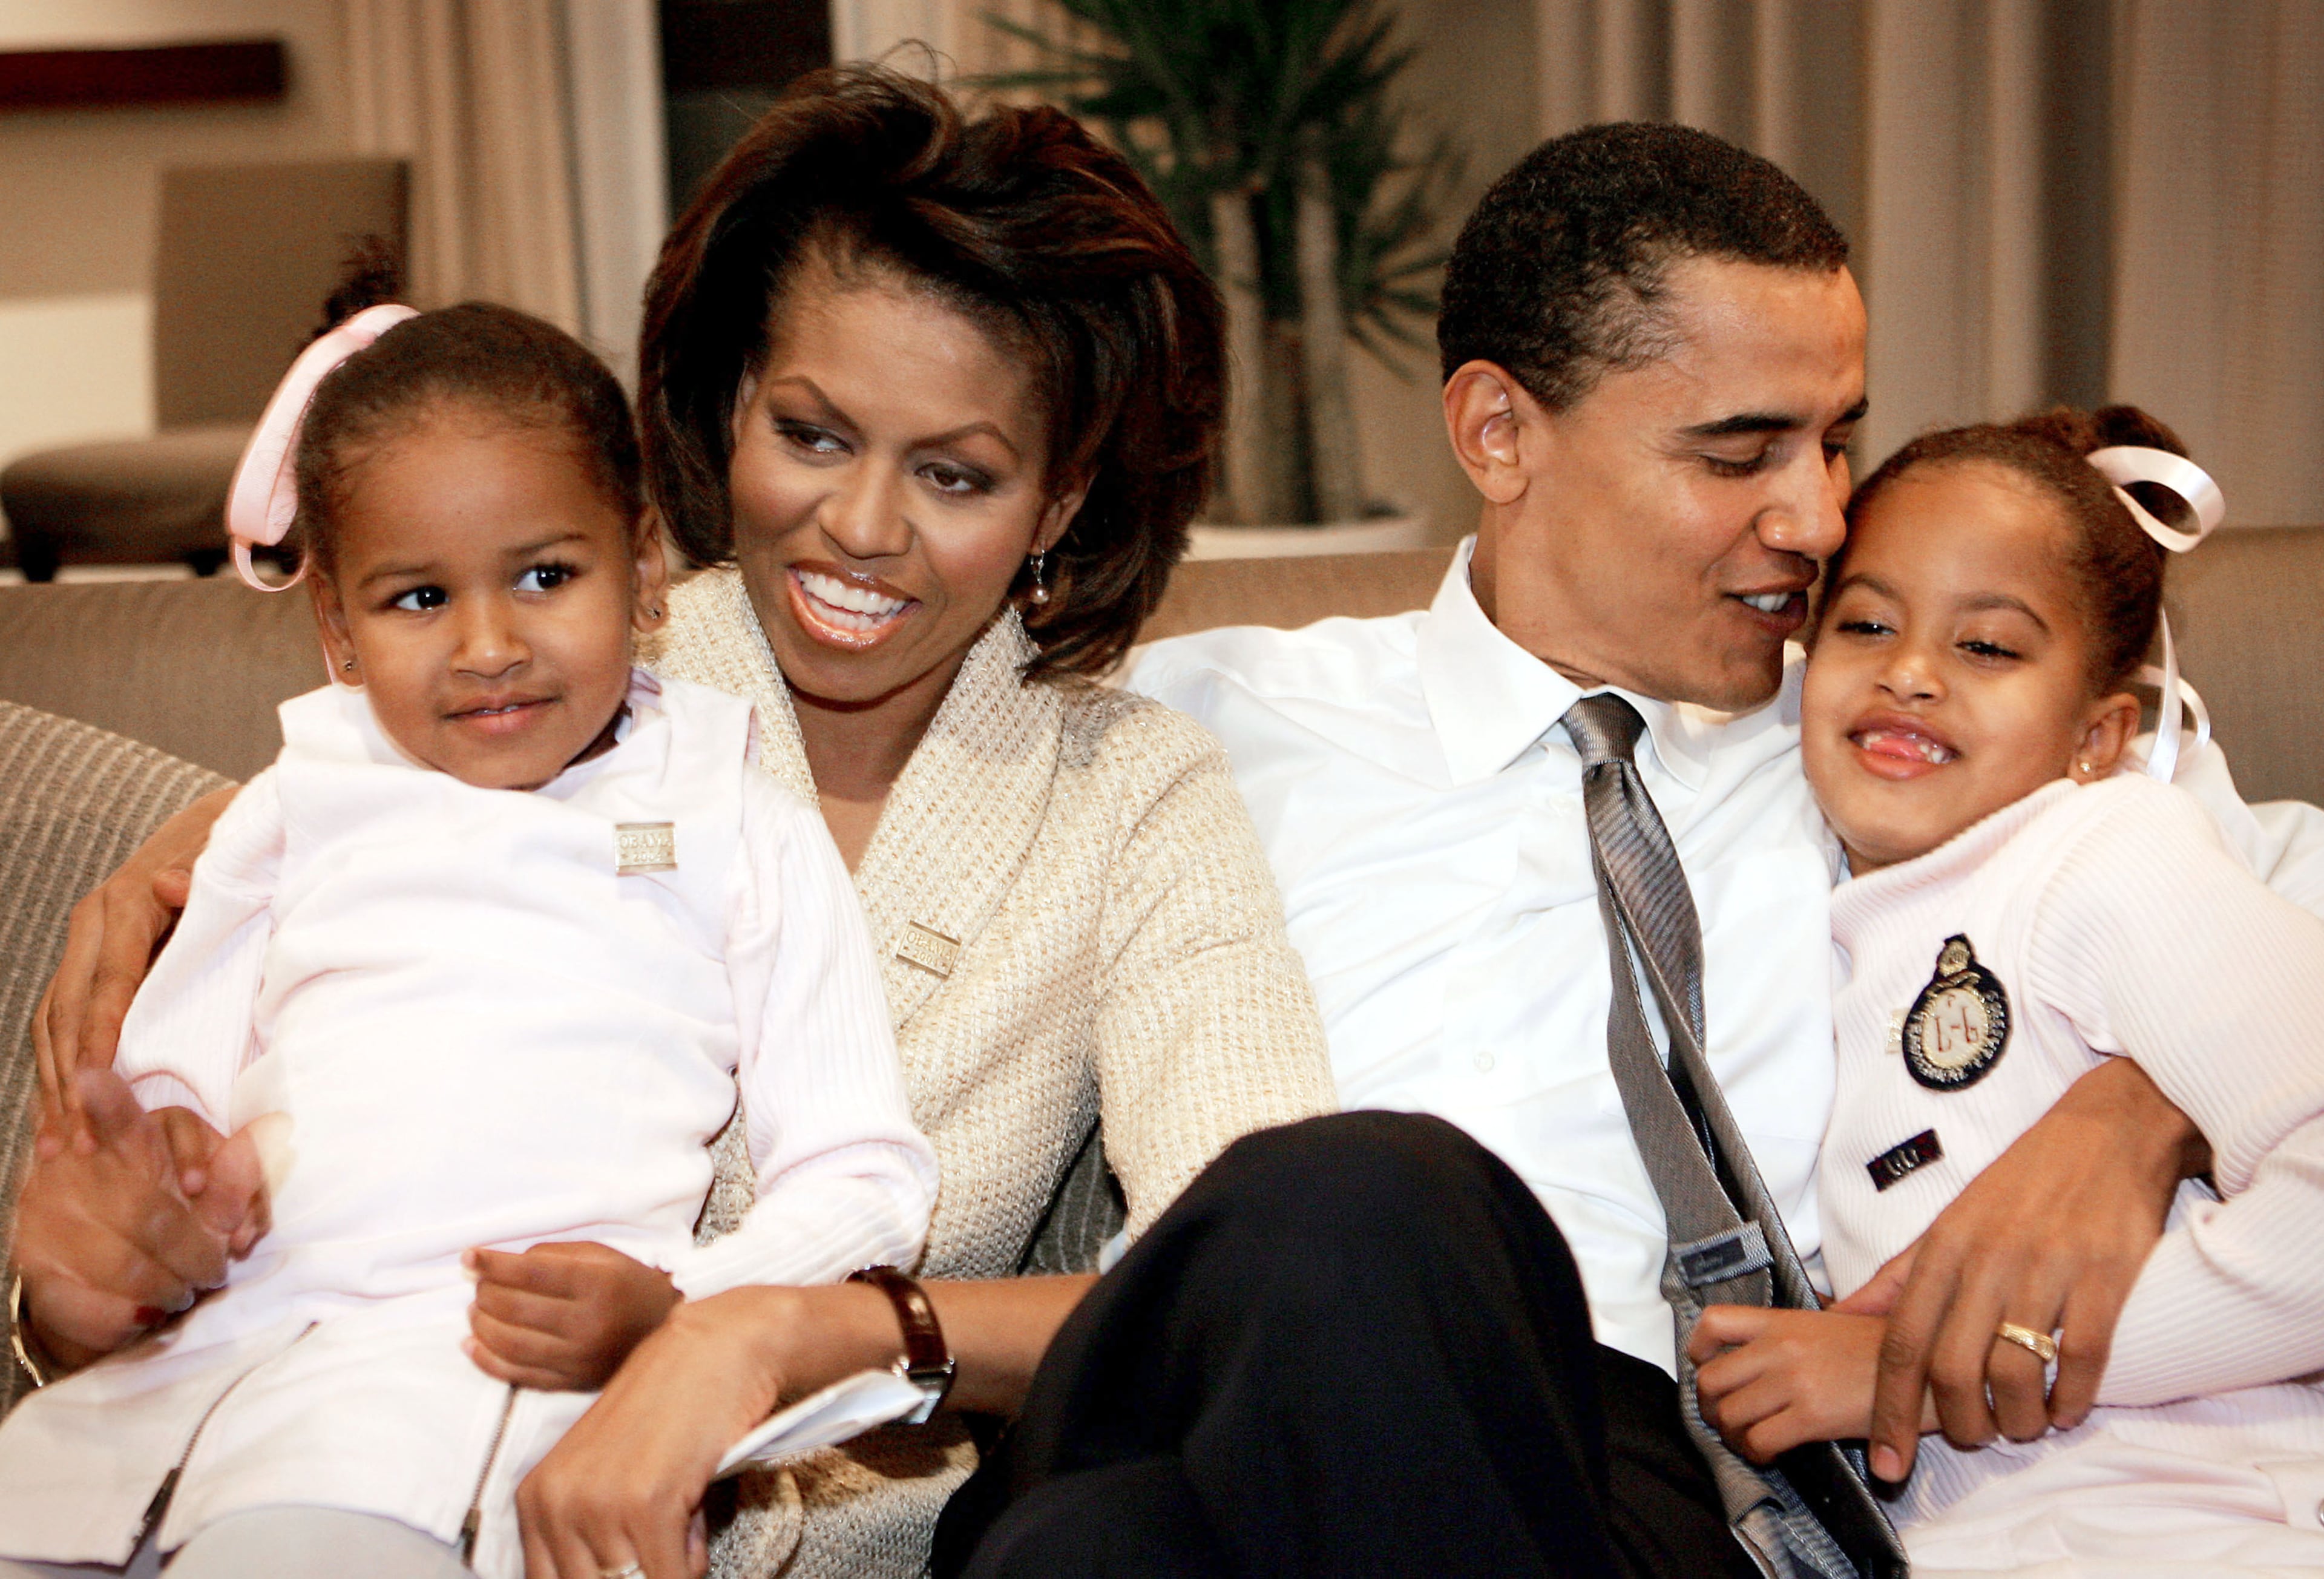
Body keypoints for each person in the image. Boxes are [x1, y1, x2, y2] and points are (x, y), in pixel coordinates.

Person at [7, 67, 1336, 1579]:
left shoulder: (1129, 803)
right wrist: (89, 1275)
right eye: (815, 434)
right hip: (329, 1479)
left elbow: (1253, 1289)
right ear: (723, 403)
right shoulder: (529, 670)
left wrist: (787, 1332)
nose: (864, 528)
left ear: (1060, 500)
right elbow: (233, 1164)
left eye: (957, 473)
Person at [996, 123, 2324, 1577]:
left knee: (1090, 1550)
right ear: (1498, 433)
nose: (1818, 518)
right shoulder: (1211, 715)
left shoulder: (1891, 745)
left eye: (1835, 442)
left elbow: (2258, 901)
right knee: (1357, 1206)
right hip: (1235, 1369)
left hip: (1629, 1467)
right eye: (1740, 451)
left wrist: (2143, 1103)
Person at [0, 299, 937, 1579]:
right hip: (212, 1370)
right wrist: (151, 1183)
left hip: (480, 1385)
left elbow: (867, 1178)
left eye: (548, 577)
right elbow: (167, 1093)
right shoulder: (286, 810)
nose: (490, 647)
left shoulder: (732, 820)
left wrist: (683, 1304)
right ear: (336, 626)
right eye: (418, 597)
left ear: (645, 570)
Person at [1690, 407, 2324, 1572]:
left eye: (1987, 647)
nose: (1911, 671)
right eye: (1867, 622)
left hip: (2209, 1522)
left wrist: (1937, 1367)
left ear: (2099, 734)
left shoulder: (2104, 850)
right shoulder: (1829, 918)